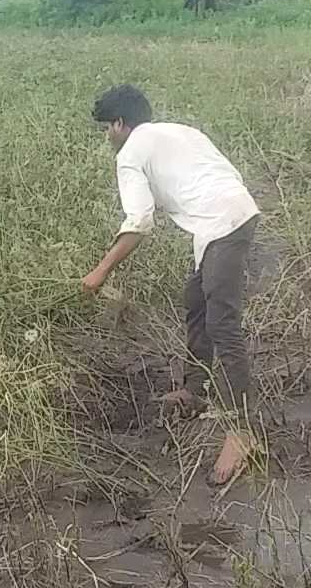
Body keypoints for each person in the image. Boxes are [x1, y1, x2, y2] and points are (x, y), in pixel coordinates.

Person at [82, 85, 261, 485]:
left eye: (107, 130)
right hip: (233, 211)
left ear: (119, 124)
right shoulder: (181, 131)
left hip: (222, 224)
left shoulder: (130, 153)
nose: (108, 138)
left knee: (222, 324)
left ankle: (242, 432)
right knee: (195, 299)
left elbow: (138, 222)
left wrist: (100, 272)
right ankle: (195, 391)